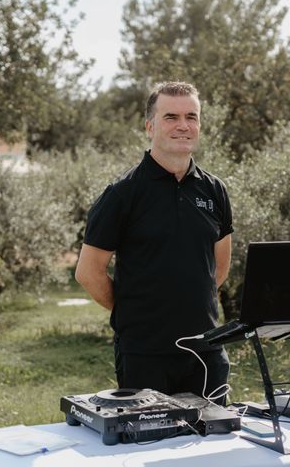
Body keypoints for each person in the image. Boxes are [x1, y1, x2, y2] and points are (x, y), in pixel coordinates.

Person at [75, 81, 233, 404]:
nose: (183, 126)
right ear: (150, 126)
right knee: (147, 449)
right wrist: (132, 311)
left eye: (192, 116)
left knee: (215, 449)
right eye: (171, 117)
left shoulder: (215, 191)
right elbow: (88, 273)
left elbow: (219, 268)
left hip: (206, 353)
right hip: (144, 355)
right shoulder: (122, 194)